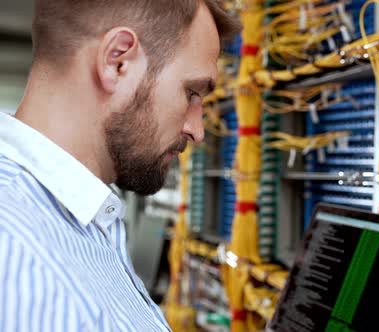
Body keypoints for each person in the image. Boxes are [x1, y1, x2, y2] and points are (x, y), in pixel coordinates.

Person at [0, 0, 240, 330]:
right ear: (118, 62)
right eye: (192, 93)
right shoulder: (16, 257)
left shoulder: (80, 223)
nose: (197, 131)